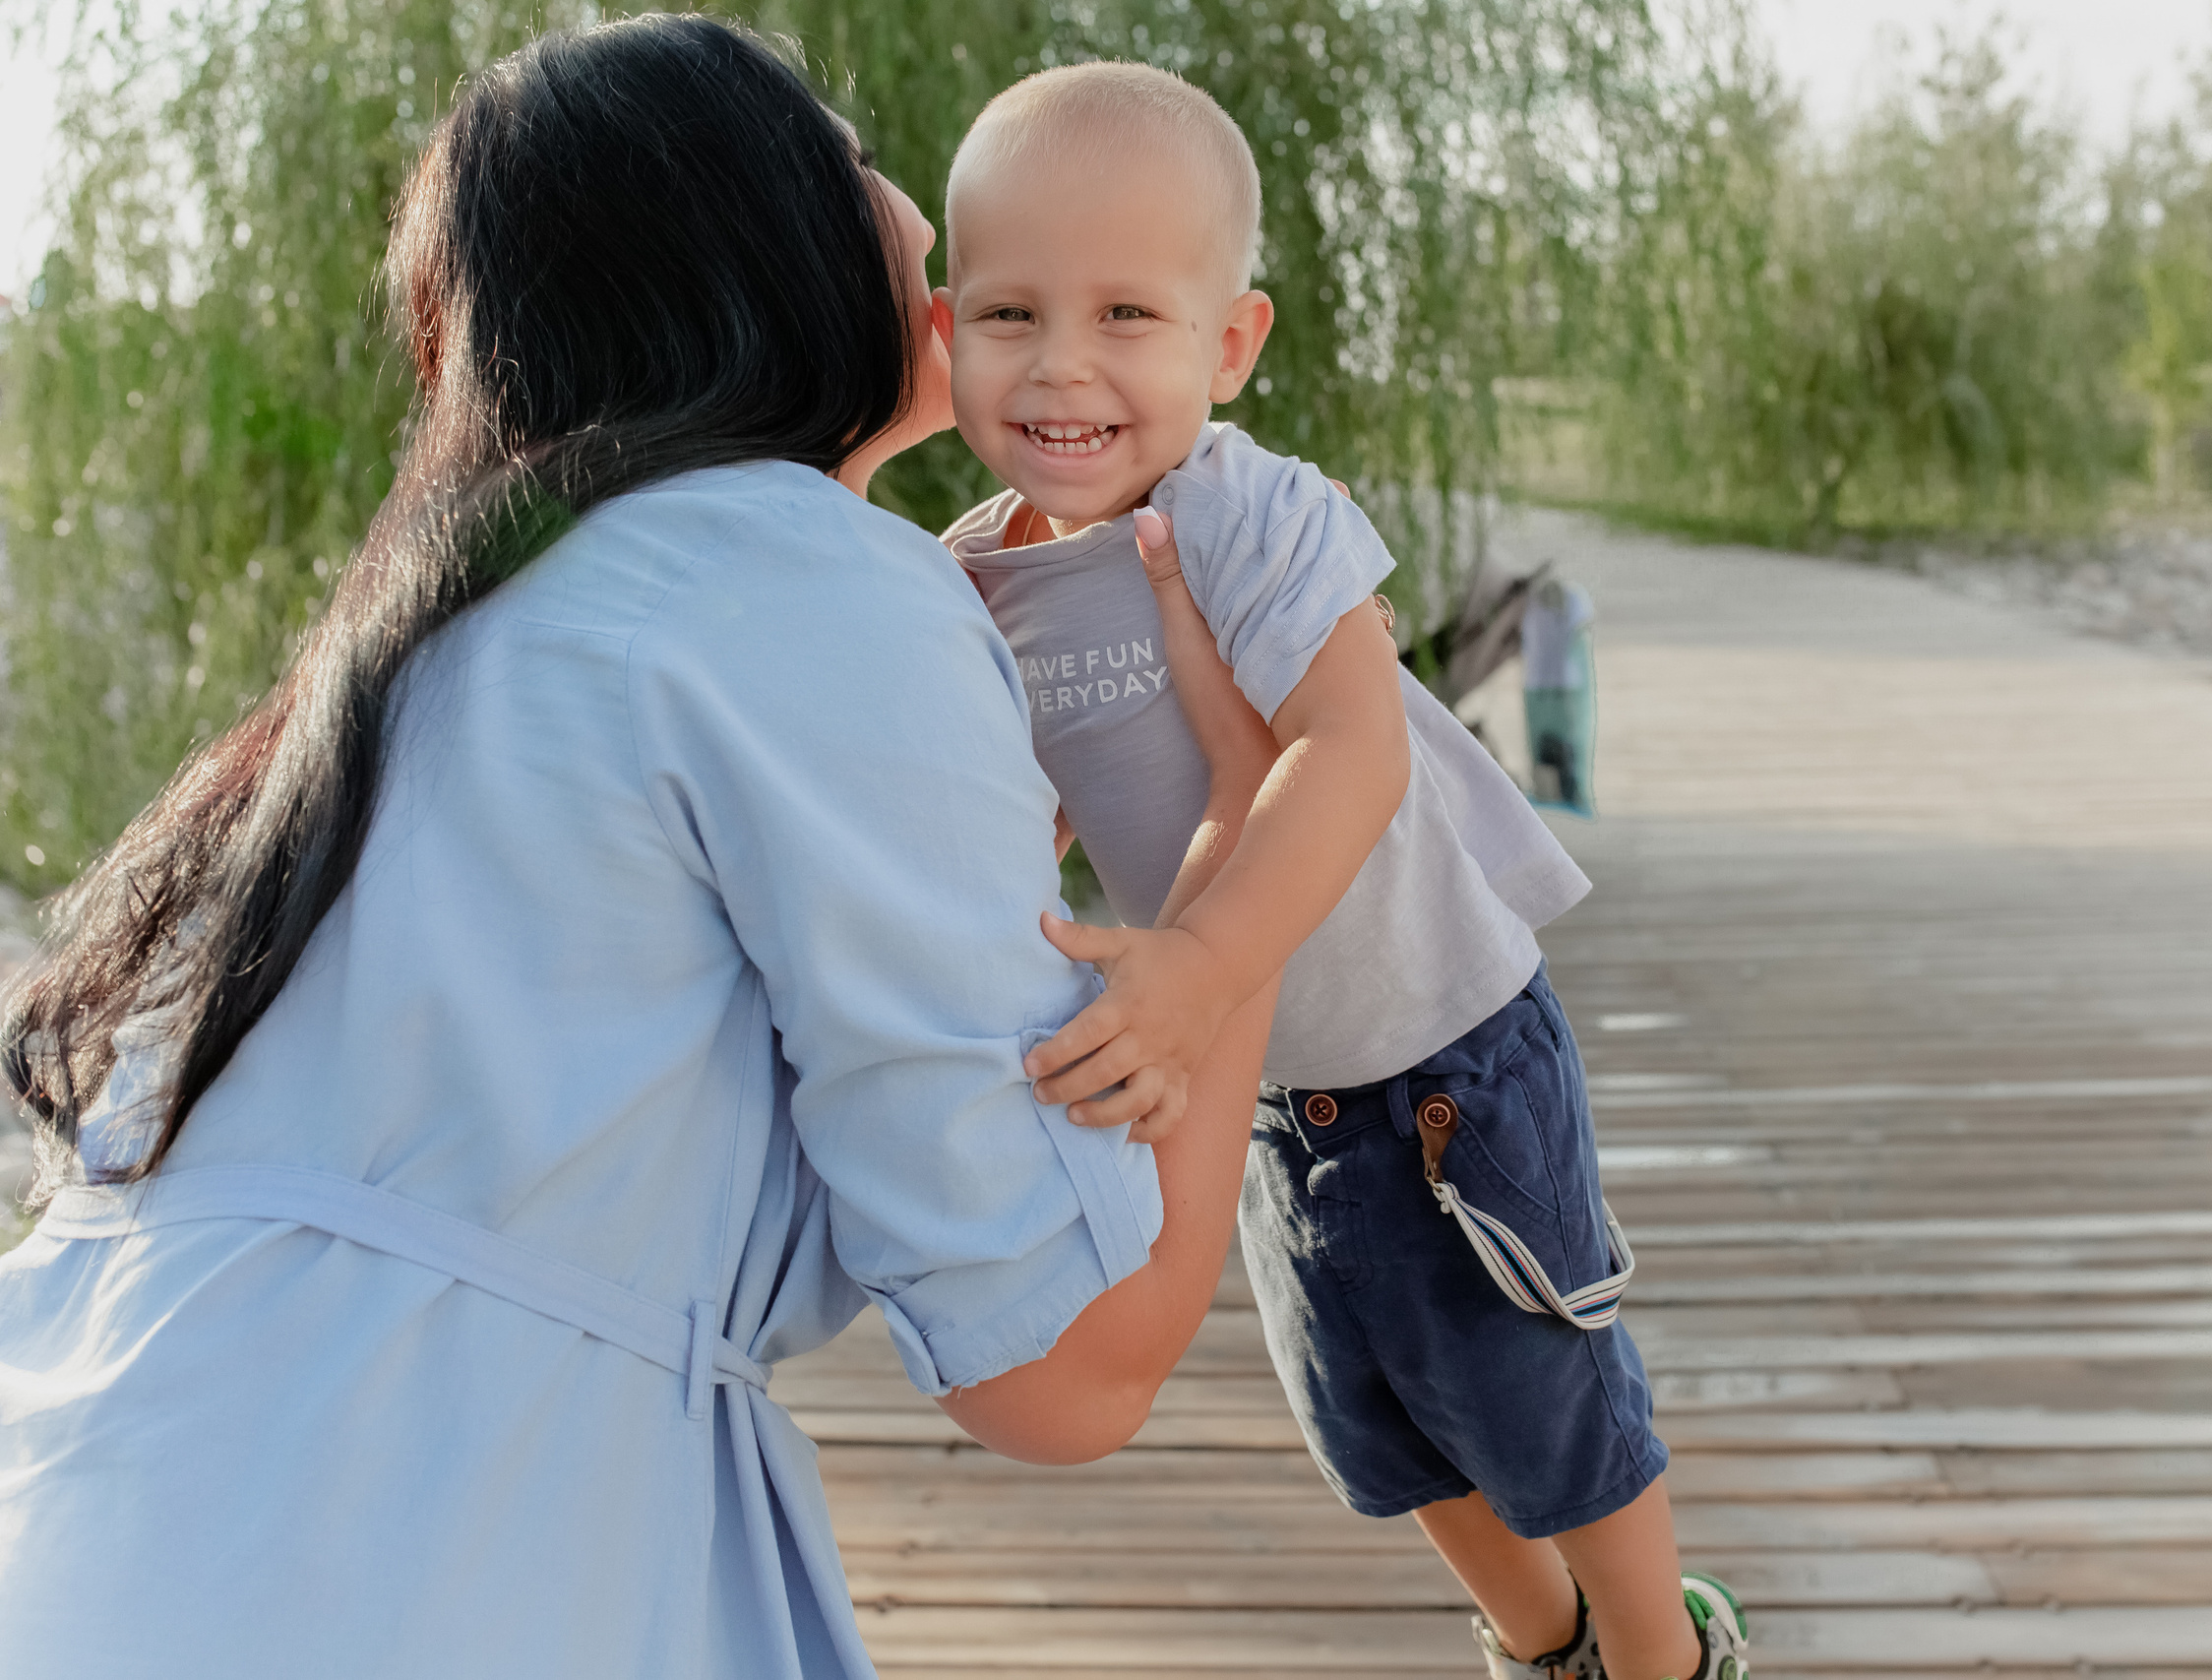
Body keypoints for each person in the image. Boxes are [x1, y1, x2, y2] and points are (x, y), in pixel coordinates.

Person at [0, 19, 1274, 1678]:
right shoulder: (798, 572)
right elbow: (1068, 1364)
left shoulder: (444, 618)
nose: (918, 220)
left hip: (109, 1503)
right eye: (857, 160)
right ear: (759, 239)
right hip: (409, 1547)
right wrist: (1239, 879)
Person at [929, 62, 1750, 1680]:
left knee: (1544, 1386)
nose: (1064, 366)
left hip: (1444, 1041)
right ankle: (1541, 1643)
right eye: (1013, 316)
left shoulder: (1247, 513)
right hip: (1269, 1082)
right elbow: (1023, 807)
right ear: (949, 327)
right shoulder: (978, 582)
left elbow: (1348, 750)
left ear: (1230, 344)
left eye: (1128, 318)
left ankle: (1663, 1655)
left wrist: (1207, 964)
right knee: (1375, 1413)